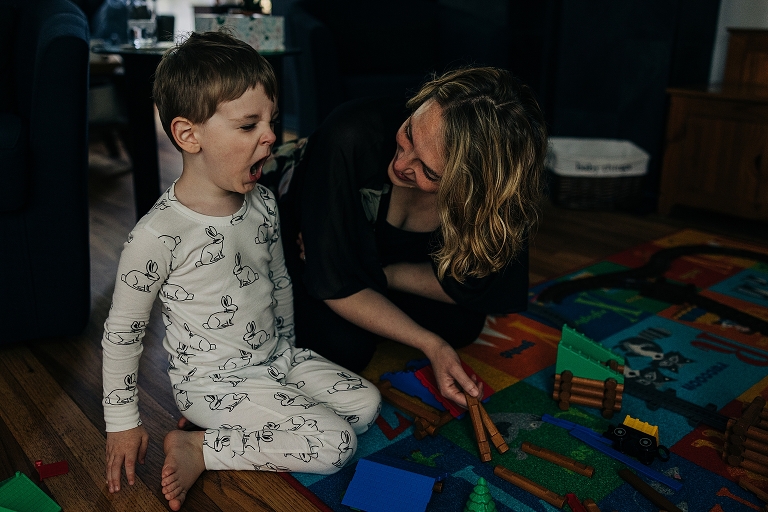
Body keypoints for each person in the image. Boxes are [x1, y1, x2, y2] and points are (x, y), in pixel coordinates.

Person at [100, 31, 380, 511]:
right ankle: (201, 448)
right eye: (249, 125)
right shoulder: (158, 235)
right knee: (337, 446)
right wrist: (123, 421)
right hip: (213, 383)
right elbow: (123, 333)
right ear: (190, 136)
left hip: (276, 358)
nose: (270, 136)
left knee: (367, 404)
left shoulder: (264, 203)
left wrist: (290, 352)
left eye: (270, 121)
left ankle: (245, 424)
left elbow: (278, 282)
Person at [274, 67, 547, 408]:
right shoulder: (350, 134)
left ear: (472, 188)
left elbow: (482, 283)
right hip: (296, 229)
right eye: (408, 134)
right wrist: (430, 343)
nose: (401, 163)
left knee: (463, 324)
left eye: (430, 171)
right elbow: (333, 280)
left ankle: (375, 302)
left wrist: (374, 272)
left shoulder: (498, 197)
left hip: (376, 267)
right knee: (343, 347)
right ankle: (370, 309)